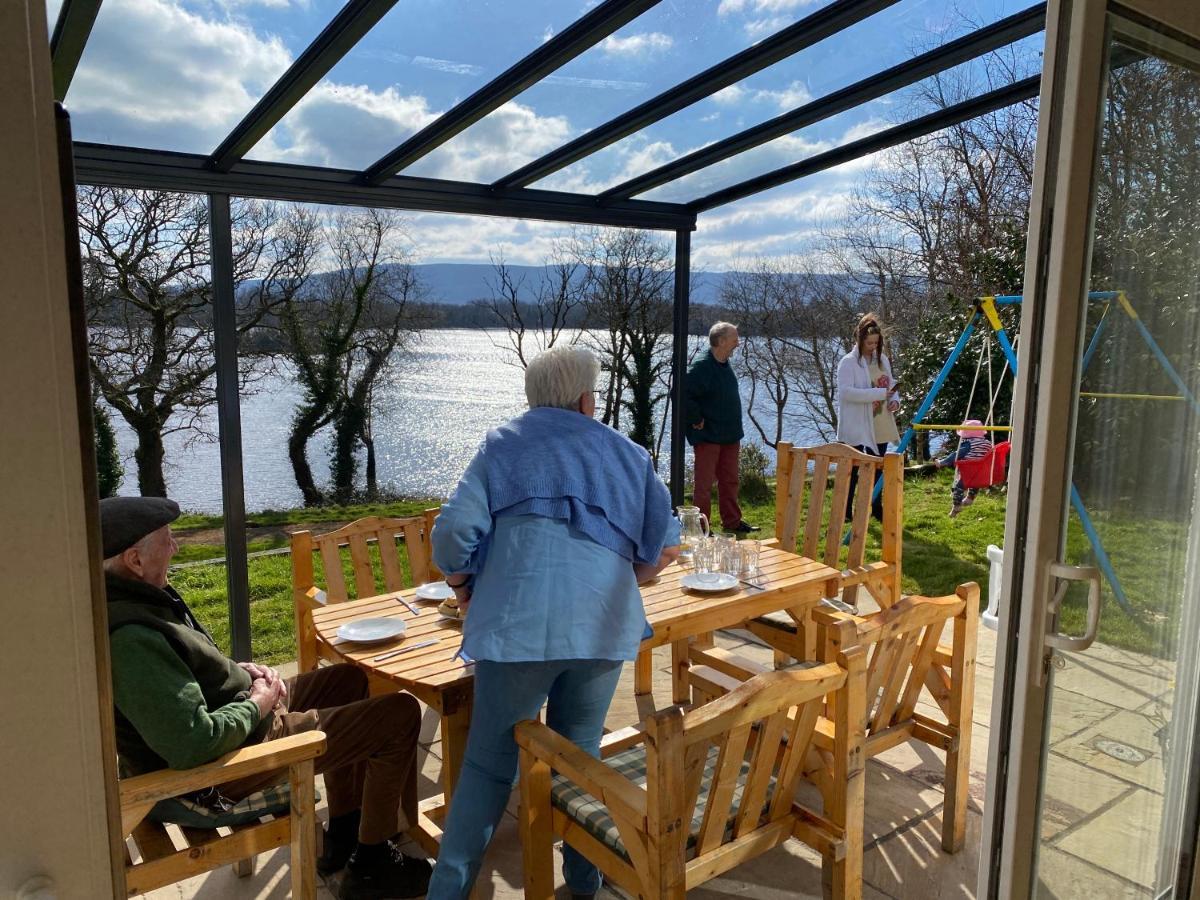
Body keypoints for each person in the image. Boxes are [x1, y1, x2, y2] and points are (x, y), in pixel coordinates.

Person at [425, 345, 680, 900]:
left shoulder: (501, 446)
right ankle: (583, 886)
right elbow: (665, 545)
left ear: (534, 396)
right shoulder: (629, 454)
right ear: (588, 399)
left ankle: (446, 893)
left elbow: (449, 538)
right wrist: (626, 573)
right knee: (579, 760)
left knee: (489, 770)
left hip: (515, 632)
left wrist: (463, 585)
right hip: (602, 627)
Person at [99, 496, 431, 900]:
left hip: (238, 721)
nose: (176, 548)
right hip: (223, 769)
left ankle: (345, 830)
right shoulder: (132, 640)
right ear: (134, 560)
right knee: (399, 713)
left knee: (347, 679)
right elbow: (192, 744)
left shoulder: (135, 599)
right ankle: (372, 865)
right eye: (167, 541)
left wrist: (241, 673)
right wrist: (256, 701)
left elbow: (183, 677)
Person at [685, 321, 758, 533]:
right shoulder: (702, 366)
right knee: (704, 485)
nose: (738, 343)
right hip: (708, 435)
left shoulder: (723, 363)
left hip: (729, 435)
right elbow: (683, 394)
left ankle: (733, 522)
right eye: (735, 339)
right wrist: (695, 418)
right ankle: (701, 527)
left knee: (730, 481)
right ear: (722, 341)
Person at [836, 313, 900, 520]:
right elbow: (846, 393)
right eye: (869, 342)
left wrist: (894, 400)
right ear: (860, 340)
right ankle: (846, 510)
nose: (872, 346)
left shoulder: (882, 360)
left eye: (876, 342)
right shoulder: (848, 362)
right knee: (853, 469)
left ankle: (876, 508)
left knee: (878, 468)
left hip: (879, 421)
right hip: (857, 423)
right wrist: (879, 394)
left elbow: (890, 383)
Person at [936, 419, 995, 517]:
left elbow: (956, 454)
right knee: (975, 482)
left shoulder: (969, 444)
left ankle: (956, 506)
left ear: (966, 433)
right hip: (983, 472)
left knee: (959, 488)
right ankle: (970, 498)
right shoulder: (988, 443)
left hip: (969, 471)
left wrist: (942, 462)